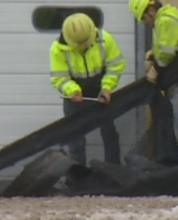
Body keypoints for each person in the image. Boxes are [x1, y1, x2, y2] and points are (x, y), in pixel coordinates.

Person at [128, 0, 178, 163]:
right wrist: (152, 56)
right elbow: (164, 50)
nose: (145, 23)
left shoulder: (165, 21)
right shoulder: (165, 20)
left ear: (150, 11)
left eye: (143, 18)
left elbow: (167, 53)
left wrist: (154, 68)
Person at [49, 13, 125, 165]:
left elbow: (115, 66)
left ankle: (114, 170)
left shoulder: (105, 40)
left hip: (100, 91)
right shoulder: (58, 49)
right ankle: (78, 176)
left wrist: (107, 87)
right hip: (74, 97)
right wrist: (72, 91)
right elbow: (59, 78)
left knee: (109, 133)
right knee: (74, 137)